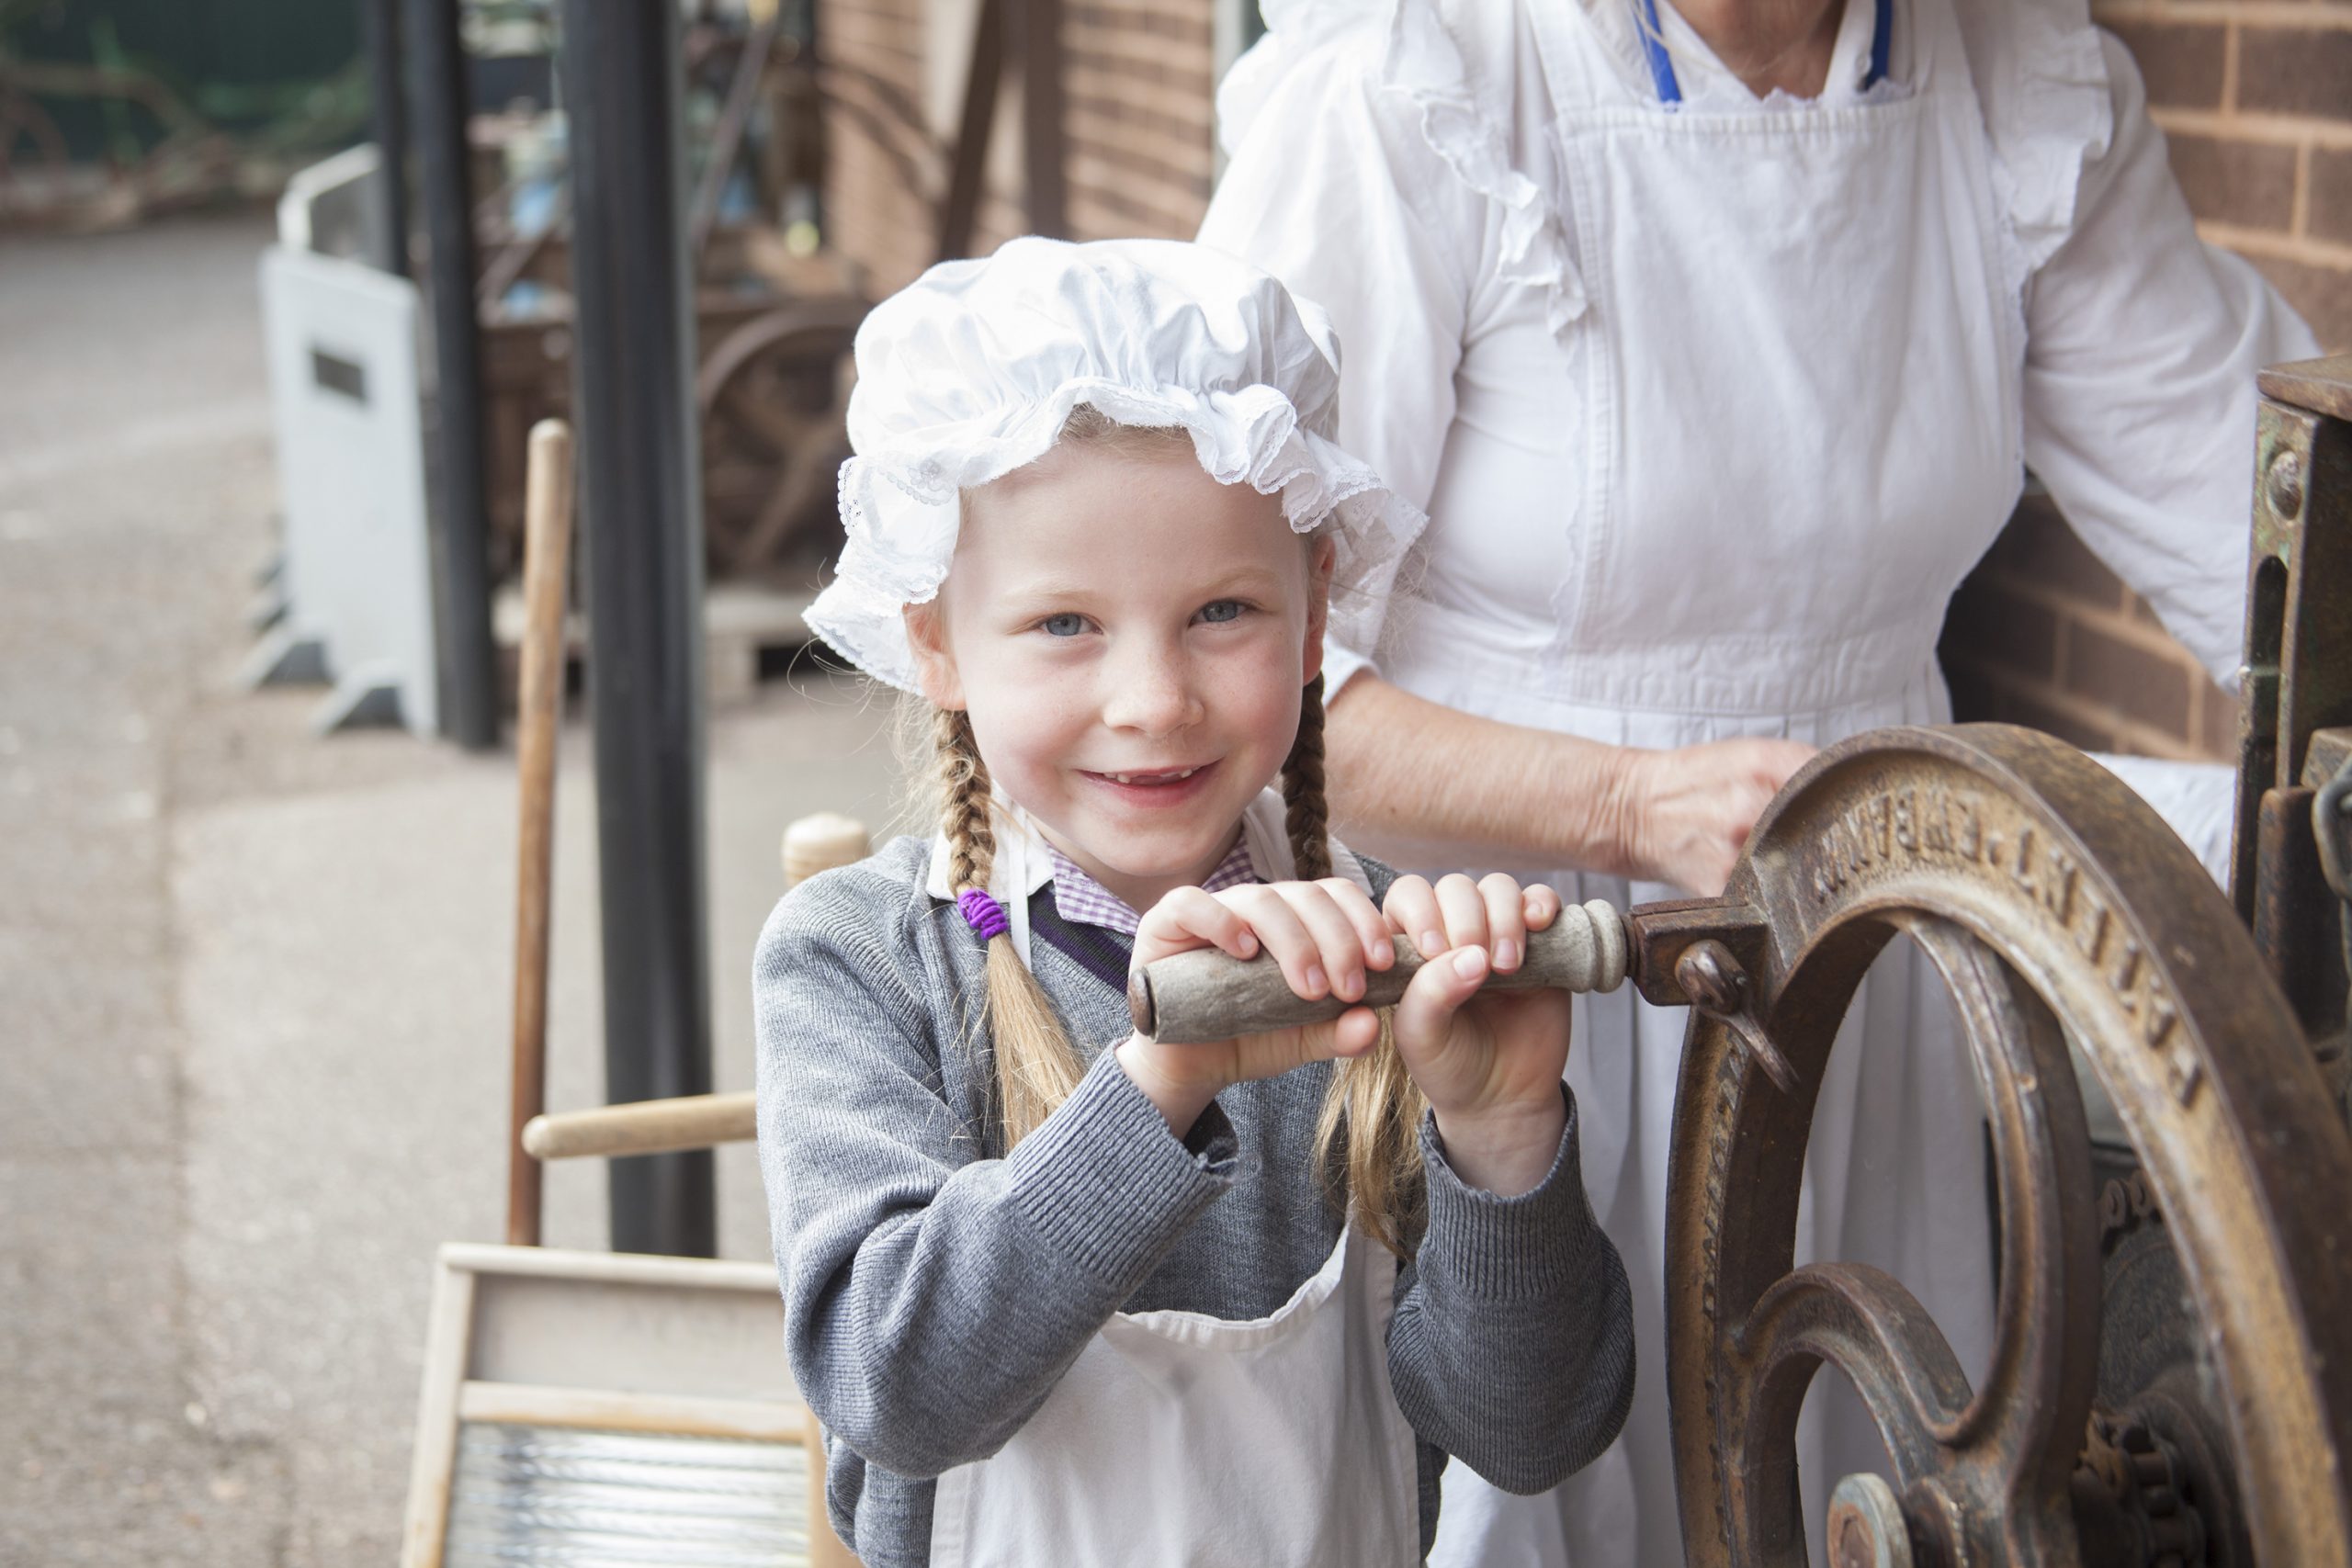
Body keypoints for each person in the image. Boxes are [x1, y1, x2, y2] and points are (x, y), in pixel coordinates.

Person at [1196, 0, 2319, 1562]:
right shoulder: (1424, 82)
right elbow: (1255, 693)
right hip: (1512, 982)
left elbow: (2262, 520)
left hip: (1871, 974)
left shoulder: (2011, 88)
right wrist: (1625, 803)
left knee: (1875, 1473)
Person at [753, 236, 1636, 1568]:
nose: (1155, 700)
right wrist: (1162, 1079)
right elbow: (902, 1386)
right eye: (1064, 625)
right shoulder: (864, 963)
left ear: (1315, 601)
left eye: (1222, 610)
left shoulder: (1388, 959)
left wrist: (1502, 1136)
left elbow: (1532, 1434)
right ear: (933, 635)